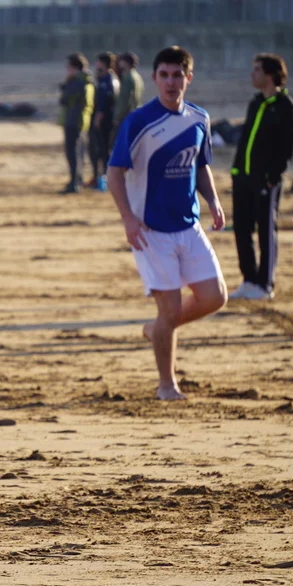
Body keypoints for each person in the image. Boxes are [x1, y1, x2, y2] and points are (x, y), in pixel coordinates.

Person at [106, 45, 228, 401]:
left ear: (189, 78)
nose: (171, 82)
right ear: (154, 78)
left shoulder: (199, 118)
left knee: (215, 297)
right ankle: (166, 385)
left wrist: (213, 200)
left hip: (189, 225)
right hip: (150, 231)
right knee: (170, 310)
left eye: (178, 75)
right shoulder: (139, 121)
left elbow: (201, 165)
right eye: (164, 75)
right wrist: (128, 219)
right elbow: (114, 173)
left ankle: (156, 328)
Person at [229, 53, 293, 301]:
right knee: (241, 229)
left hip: (265, 180)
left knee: (266, 231)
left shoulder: (286, 107)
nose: (252, 74)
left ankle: (265, 284)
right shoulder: (255, 103)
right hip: (243, 177)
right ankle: (249, 280)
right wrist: (237, 170)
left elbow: (286, 148)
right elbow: (246, 140)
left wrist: (272, 177)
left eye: (257, 70)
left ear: (270, 75)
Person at [59, 52, 94, 194]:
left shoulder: (78, 83)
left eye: (69, 67)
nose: (67, 70)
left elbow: (64, 99)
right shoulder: (88, 81)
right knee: (79, 152)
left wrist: (67, 82)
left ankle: (74, 183)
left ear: (74, 67)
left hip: (73, 120)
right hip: (82, 121)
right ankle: (77, 180)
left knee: (72, 153)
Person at [89, 52, 120, 191]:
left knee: (102, 149)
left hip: (104, 120)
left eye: (99, 62)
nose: (97, 65)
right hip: (106, 119)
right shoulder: (107, 78)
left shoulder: (108, 80)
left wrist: (98, 117)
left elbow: (105, 101)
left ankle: (104, 179)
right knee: (101, 149)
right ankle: (100, 178)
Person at [114, 52, 144, 142]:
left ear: (125, 62)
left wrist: (117, 116)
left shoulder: (127, 77)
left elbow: (124, 99)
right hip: (135, 112)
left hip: (126, 116)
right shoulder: (137, 76)